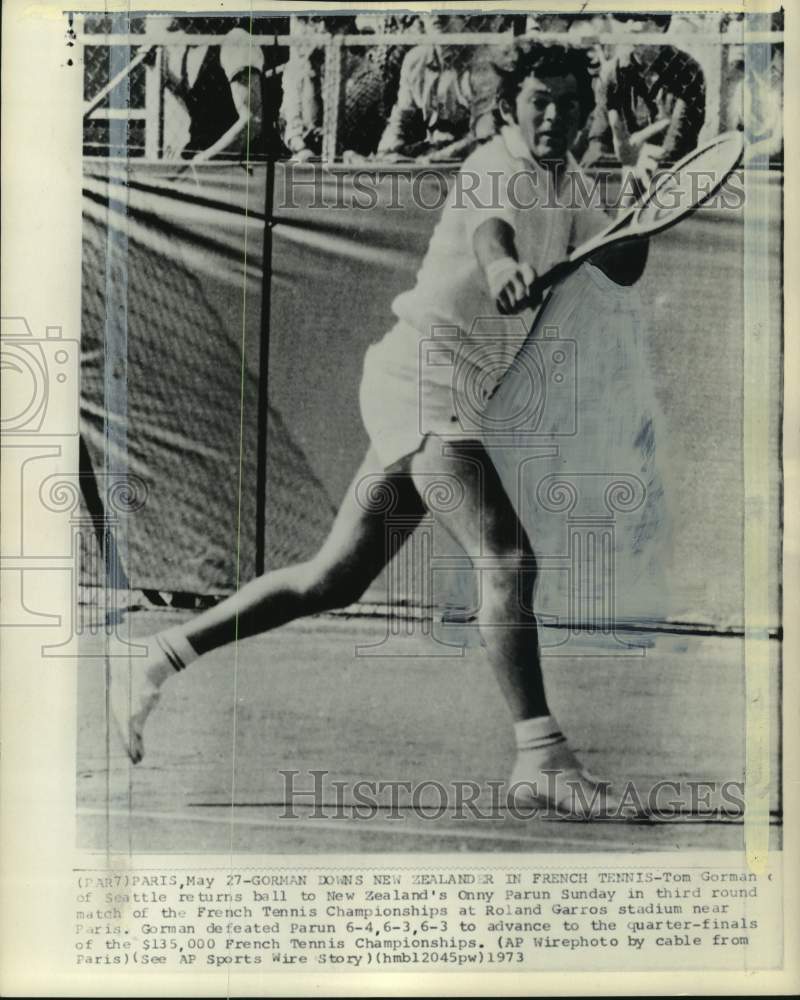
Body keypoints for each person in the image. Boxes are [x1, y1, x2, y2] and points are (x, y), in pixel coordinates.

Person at [110, 42, 661, 818]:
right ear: (510, 108)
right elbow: (491, 235)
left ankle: (157, 658)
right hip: (423, 381)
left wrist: (640, 196)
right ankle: (543, 757)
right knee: (506, 557)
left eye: (570, 103)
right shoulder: (495, 168)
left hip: (453, 394)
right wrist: (503, 271)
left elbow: (625, 264)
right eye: (540, 100)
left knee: (333, 579)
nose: (554, 116)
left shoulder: (571, 181)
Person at [581, 13, 706, 169]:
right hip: (625, 173)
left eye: (639, 18)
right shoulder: (614, 73)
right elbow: (597, 141)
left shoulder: (688, 72)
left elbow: (675, 149)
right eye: (624, 19)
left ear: (662, 25)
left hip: (671, 177)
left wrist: (636, 154)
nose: (629, 26)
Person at [376, 14, 497, 162]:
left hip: (475, 159)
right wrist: (384, 153)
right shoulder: (415, 61)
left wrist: (436, 157)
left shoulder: (483, 62)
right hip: (433, 155)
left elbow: (484, 135)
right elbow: (400, 121)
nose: (437, 14)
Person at [159, 21, 276, 162]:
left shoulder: (235, 41)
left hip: (239, 164)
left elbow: (253, 121)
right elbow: (200, 109)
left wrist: (206, 158)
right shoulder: (191, 48)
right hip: (201, 158)